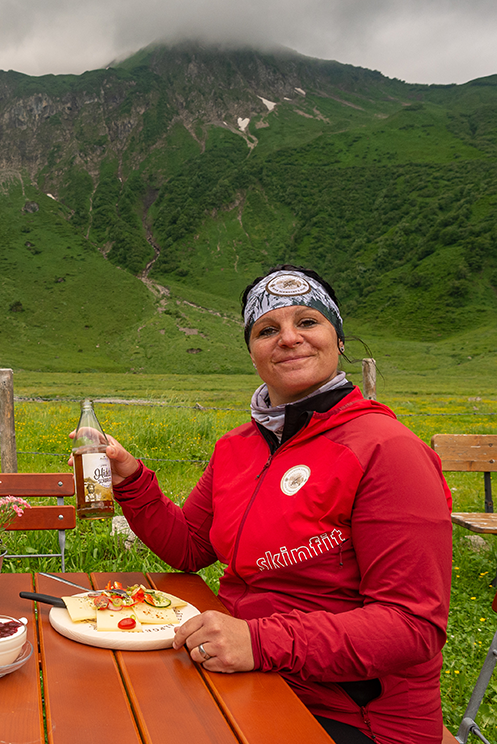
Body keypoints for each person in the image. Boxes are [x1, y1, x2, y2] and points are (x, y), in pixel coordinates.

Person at [106, 267, 452, 744]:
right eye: (267, 329)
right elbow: (189, 548)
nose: (288, 338)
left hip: (349, 713)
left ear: (339, 338)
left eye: (307, 322)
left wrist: (258, 641)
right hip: (246, 675)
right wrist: (132, 480)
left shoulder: (388, 449)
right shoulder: (238, 446)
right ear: (252, 352)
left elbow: (412, 626)